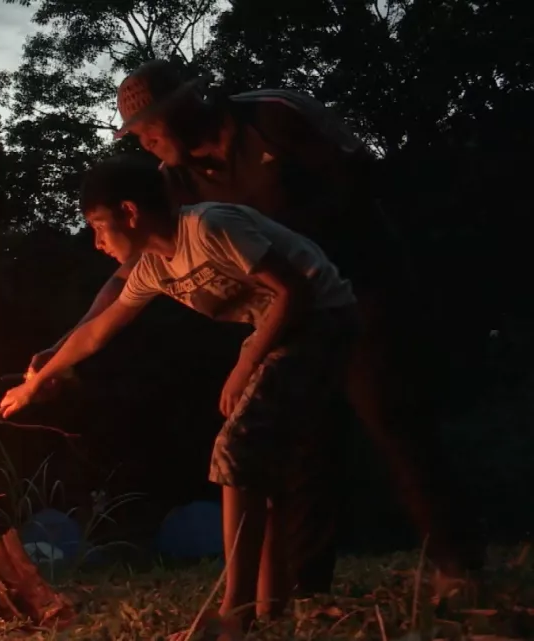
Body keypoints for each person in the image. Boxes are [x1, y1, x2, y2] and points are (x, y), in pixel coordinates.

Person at [28, 59, 484, 597]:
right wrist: (61, 349)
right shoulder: (173, 184)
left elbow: (361, 178)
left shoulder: (273, 117)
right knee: (300, 449)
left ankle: (457, 567)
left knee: (393, 419)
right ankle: (305, 590)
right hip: (283, 318)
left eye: (152, 124)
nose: (146, 140)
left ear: (189, 102)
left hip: (356, 295)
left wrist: (299, 250)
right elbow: (132, 277)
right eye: (136, 134)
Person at [2, 153, 359, 630]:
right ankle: (268, 607)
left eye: (98, 225)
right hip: (279, 334)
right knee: (260, 468)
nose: (97, 241)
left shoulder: (209, 226)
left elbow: (293, 291)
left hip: (322, 318)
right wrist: (36, 382)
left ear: (130, 212)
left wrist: (246, 362)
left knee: (235, 449)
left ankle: (235, 612)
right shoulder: (153, 269)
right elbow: (95, 333)